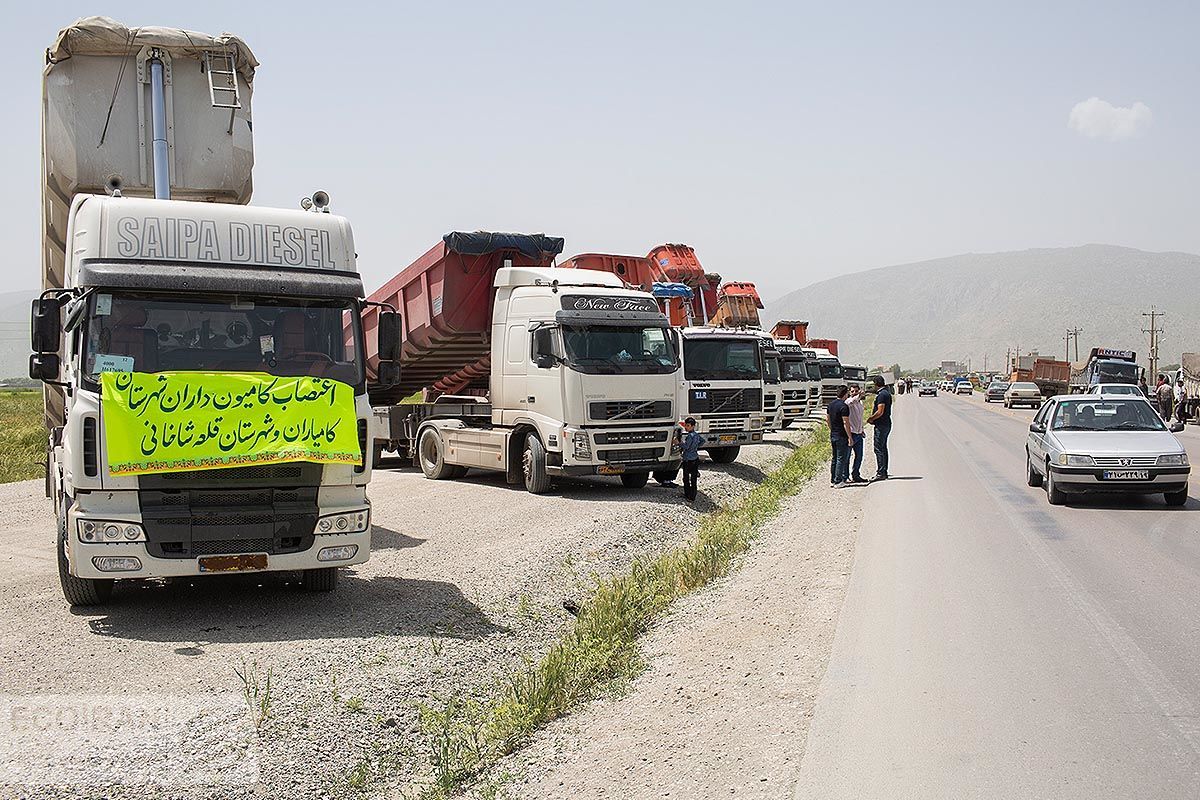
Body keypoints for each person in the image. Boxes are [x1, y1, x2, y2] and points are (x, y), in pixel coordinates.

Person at [867, 374, 892, 480]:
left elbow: (880, 411)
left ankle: (881, 472)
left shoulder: (881, 395)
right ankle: (884, 471)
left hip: (881, 424)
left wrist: (871, 418)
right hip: (886, 423)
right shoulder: (886, 393)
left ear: (876, 384)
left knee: (879, 448)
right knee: (883, 448)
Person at [827, 386, 853, 486]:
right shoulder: (844, 406)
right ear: (845, 394)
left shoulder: (830, 405)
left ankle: (833, 479)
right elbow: (845, 422)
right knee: (841, 458)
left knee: (834, 458)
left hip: (833, 434)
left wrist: (832, 429)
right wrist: (849, 437)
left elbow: (827, 419)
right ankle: (838, 481)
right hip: (841, 435)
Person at [846, 385, 868, 483]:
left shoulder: (860, 403)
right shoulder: (848, 402)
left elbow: (860, 418)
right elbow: (852, 401)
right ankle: (845, 476)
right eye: (852, 391)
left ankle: (856, 475)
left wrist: (862, 429)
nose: (854, 393)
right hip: (851, 433)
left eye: (856, 391)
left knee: (859, 456)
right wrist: (858, 395)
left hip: (858, 433)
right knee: (847, 456)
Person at [679, 417, 703, 502]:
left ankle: (688, 495)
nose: (686, 427)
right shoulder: (696, 435)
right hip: (695, 458)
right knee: (693, 478)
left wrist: (678, 443)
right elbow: (702, 441)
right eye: (685, 425)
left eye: (688, 426)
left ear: (693, 426)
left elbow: (686, 446)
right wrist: (695, 447)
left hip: (688, 459)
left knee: (686, 478)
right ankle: (693, 496)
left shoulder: (690, 436)